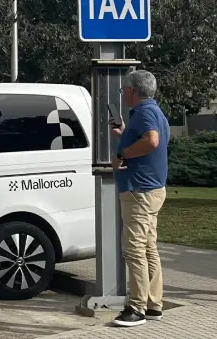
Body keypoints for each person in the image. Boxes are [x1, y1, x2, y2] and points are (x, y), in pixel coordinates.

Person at [109, 70, 170, 327]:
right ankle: (153, 304)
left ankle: (136, 309)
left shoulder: (144, 112)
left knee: (134, 250)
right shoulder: (154, 112)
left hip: (139, 192)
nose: (123, 93)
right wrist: (125, 132)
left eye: (124, 90)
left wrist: (122, 152)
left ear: (132, 91)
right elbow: (150, 139)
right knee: (148, 248)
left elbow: (152, 141)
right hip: (152, 189)